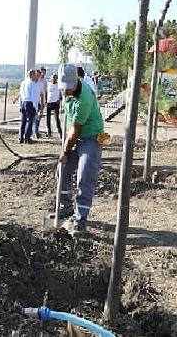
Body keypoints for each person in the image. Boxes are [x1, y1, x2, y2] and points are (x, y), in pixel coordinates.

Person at [57, 63, 104, 234]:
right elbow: (70, 124)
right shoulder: (65, 90)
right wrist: (65, 147)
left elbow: (76, 130)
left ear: (77, 81)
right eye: (64, 88)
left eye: (69, 88)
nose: (66, 91)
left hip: (93, 136)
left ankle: (80, 219)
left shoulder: (84, 98)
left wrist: (66, 151)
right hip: (75, 134)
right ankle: (66, 207)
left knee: (85, 175)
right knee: (62, 168)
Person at [17, 69, 40, 144]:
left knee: (23, 121)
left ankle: (20, 137)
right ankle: (27, 138)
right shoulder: (32, 83)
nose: (35, 76)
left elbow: (21, 94)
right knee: (30, 121)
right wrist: (35, 107)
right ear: (32, 75)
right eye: (34, 75)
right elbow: (34, 96)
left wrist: (20, 105)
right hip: (30, 103)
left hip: (23, 102)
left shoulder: (23, 83)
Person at [46, 73, 62, 139]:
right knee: (48, 119)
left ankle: (60, 132)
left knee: (56, 118)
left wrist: (59, 99)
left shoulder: (59, 85)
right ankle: (49, 132)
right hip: (49, 103)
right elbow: (46, 92)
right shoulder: (48, 84)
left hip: (55, 103)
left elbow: (62, 94)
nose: (53, 79)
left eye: (55, 78)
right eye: (52, 78)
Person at [33, 67, 47, 139]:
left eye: (43, 73)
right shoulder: (33, 82)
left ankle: (36, 131)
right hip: (33, 103)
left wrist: (44, 102)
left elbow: (44, 93)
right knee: (34, 118)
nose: (41, 75)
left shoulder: (43, 82)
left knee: (38, 118)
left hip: (39, 102)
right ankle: (34, 132)